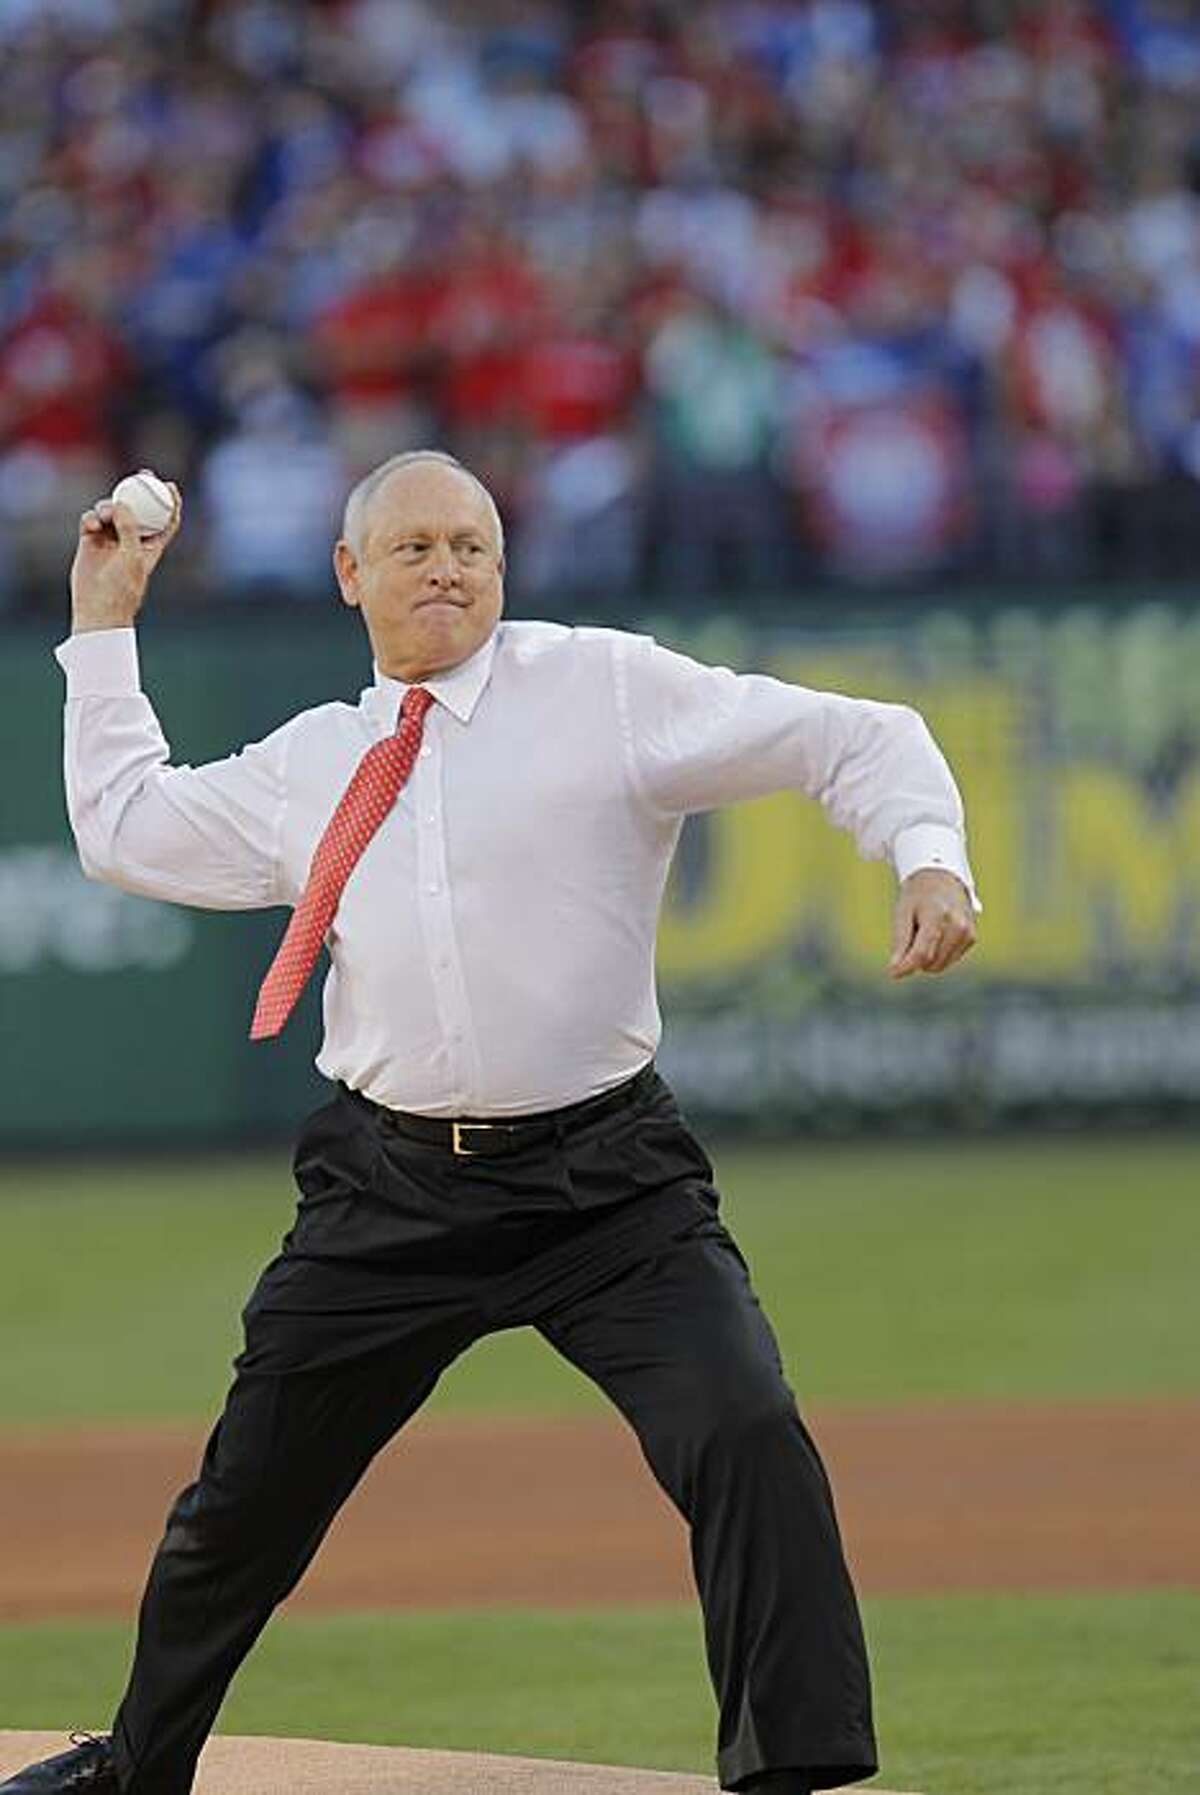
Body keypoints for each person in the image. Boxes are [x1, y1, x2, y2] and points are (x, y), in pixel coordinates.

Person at [7, 450, 978, 1795]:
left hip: (611, 1189)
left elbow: (853, 737)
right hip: (390, 1190)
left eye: (472, 544)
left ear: (503, 569)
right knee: (242, 1507)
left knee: (747, 1432)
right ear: (350, 575)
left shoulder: (606, 690)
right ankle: (139, 1770)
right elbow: (123, 828)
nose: (448, 567)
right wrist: (105, 622)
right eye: (413, 547)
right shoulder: (317, 765)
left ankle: (791, 1773)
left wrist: (927, 854)